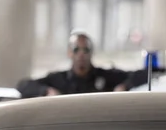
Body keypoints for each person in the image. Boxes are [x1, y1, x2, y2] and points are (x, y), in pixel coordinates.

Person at [16, 30, 149, 98]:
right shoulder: (58, 80)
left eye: (85, 50)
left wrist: (124, 86)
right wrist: (46, 91)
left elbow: (141, 75)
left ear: (91, 53)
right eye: (76, 50)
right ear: (69, 53)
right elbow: (23, 85)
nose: (81, 55)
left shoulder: (107, 77)